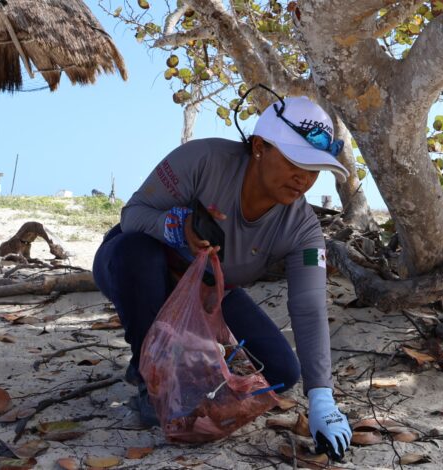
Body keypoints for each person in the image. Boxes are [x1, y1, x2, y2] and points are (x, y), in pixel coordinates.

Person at [93, 88, 354, 460]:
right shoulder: (205, 159)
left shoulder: (303, 229)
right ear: (260, 147)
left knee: (282, 371)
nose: (304, 179)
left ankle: (196, 368)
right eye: (296, 161)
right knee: (135, 252)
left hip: (211, 291)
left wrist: (322, 398)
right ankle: (150, 375)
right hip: (136, 268)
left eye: (315, 169)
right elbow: (131, 216)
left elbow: (309, 307)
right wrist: (176, 227)